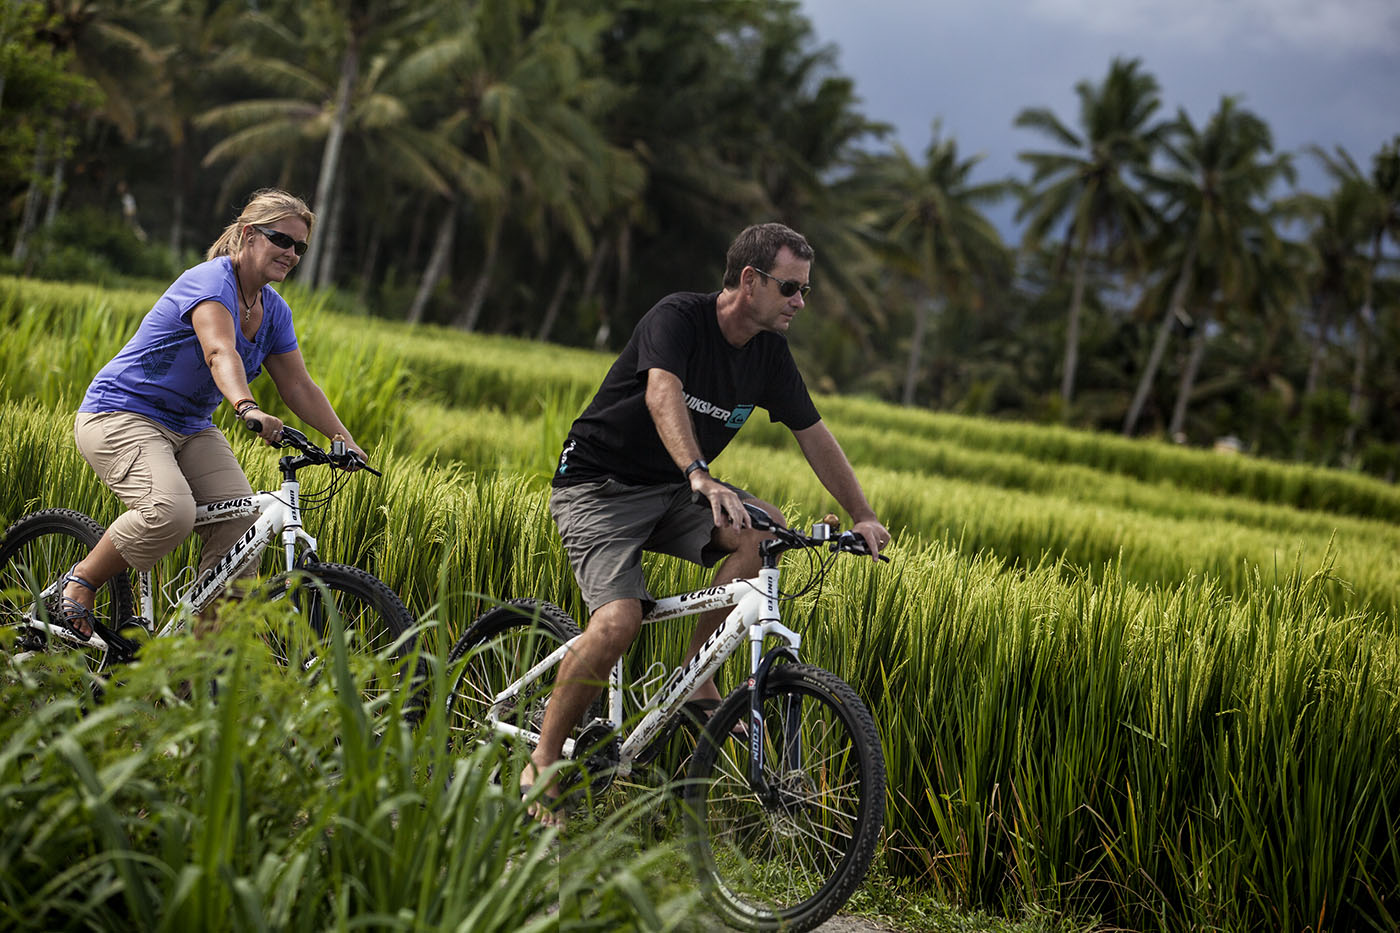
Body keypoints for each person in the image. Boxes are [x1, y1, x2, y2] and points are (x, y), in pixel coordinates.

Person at [524, 222, 890, 825]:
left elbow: (814, 434)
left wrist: (862, 513)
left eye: (806, 289)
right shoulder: (679, 318)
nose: (801, 301)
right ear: (750, 280)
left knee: (766, 527)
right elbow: (661, 395)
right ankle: (540, 762)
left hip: (670, 489)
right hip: (599, 486)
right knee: (618, 622)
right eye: (792, 288)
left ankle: (697, 674)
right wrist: (699, 474)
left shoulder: (769, 354)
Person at [51, 187, 367, 639]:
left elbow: (297, 384)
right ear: (248, 235)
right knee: (170, 511)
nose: (292, 253)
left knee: (242, 533)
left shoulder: (273, 310)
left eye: (300, 246)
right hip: (122, 414)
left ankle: (192, 681)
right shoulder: (209, 281)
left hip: (189, 427)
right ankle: (81, 581)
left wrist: (344, 440)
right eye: (282, 240)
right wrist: (247, 407)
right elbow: (220, 352)